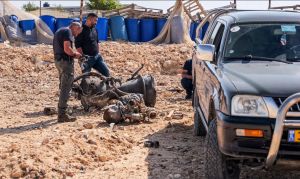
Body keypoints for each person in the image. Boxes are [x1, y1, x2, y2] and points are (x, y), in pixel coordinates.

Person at [53, 22, 82, 122]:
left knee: (63, 85)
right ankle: (62, 114)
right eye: (77, 32)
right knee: (66, 86)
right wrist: (75, 54)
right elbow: (67, 49)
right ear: (75, 27)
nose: (76, 35)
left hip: (58, 61)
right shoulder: (68, 31)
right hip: (65, 62)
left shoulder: (60, 30)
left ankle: (62, 109)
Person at [75, 13, 110, 79]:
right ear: (90, 19)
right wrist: (83, 57)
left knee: (106, 72)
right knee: (86, 77)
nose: (96, 23)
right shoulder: (81, 30)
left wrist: (98, 53)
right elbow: (77, 45)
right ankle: (85, 89)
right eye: (95, 21)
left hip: (97, 57)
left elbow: (97, 42)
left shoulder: (94, 29)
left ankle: (107, 88)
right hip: (87, 59)